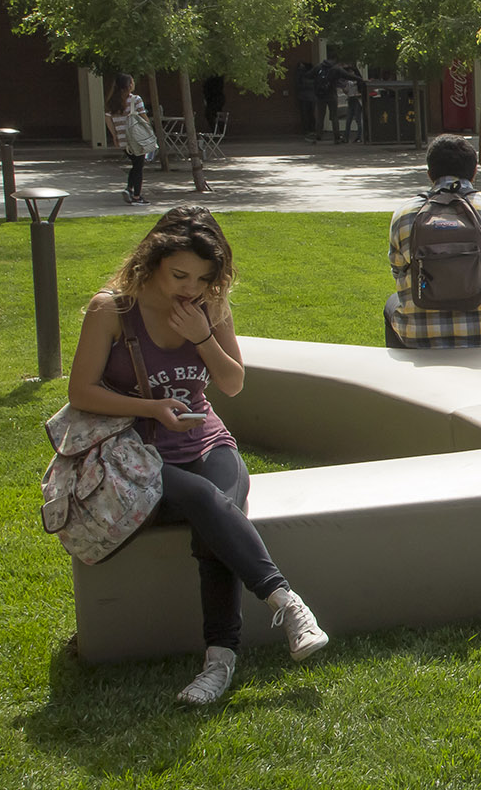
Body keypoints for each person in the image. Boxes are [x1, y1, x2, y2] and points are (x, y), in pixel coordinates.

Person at [65, 205, 329, 705]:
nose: (190, 287)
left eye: (204, 278)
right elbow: (81, 392)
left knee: (215, 517)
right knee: (207, 502)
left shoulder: (211, 306)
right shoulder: (112, 309)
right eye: (179, 274)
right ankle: (284, 601)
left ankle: (219, 662)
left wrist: (203, 336)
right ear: (152, 260)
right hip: (134, 455)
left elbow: (231, 383)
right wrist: (151, 408)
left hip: (206, 440)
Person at [385, 134, 481, 348]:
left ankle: (401, 377)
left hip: (419, 337)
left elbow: (398, 272)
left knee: (392, 304)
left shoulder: (404, 214)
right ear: (474, 171)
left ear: (430, 174)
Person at [106, 74, 153, 206]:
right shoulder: (135, 99)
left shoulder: (112, 102)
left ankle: (129, 189)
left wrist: (115, 135)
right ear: (129, 85)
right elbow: (143, 116)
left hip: (123, 138)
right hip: (136, 137)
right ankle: (136, 196)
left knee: (136, 164)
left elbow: (108, 119)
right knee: (139, 166)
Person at [334, 64, 364, 144]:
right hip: (351, 99)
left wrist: (358, 94)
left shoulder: (358, 81)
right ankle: (346, 137)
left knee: (358, 119)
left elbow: (362, 91)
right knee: (348, 120)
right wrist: (344, 89)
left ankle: (359, 137)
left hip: (357, 100)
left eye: (351, 72)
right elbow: (346, 91)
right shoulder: (348, 81)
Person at [292, 61, 318, 142]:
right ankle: (311, 129)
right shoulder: (312, 74)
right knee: (310, 114)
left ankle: (307, 130)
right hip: (310, 97)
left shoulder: (300, 74)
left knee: (305, 114)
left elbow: (297, 85)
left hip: (304, 97)